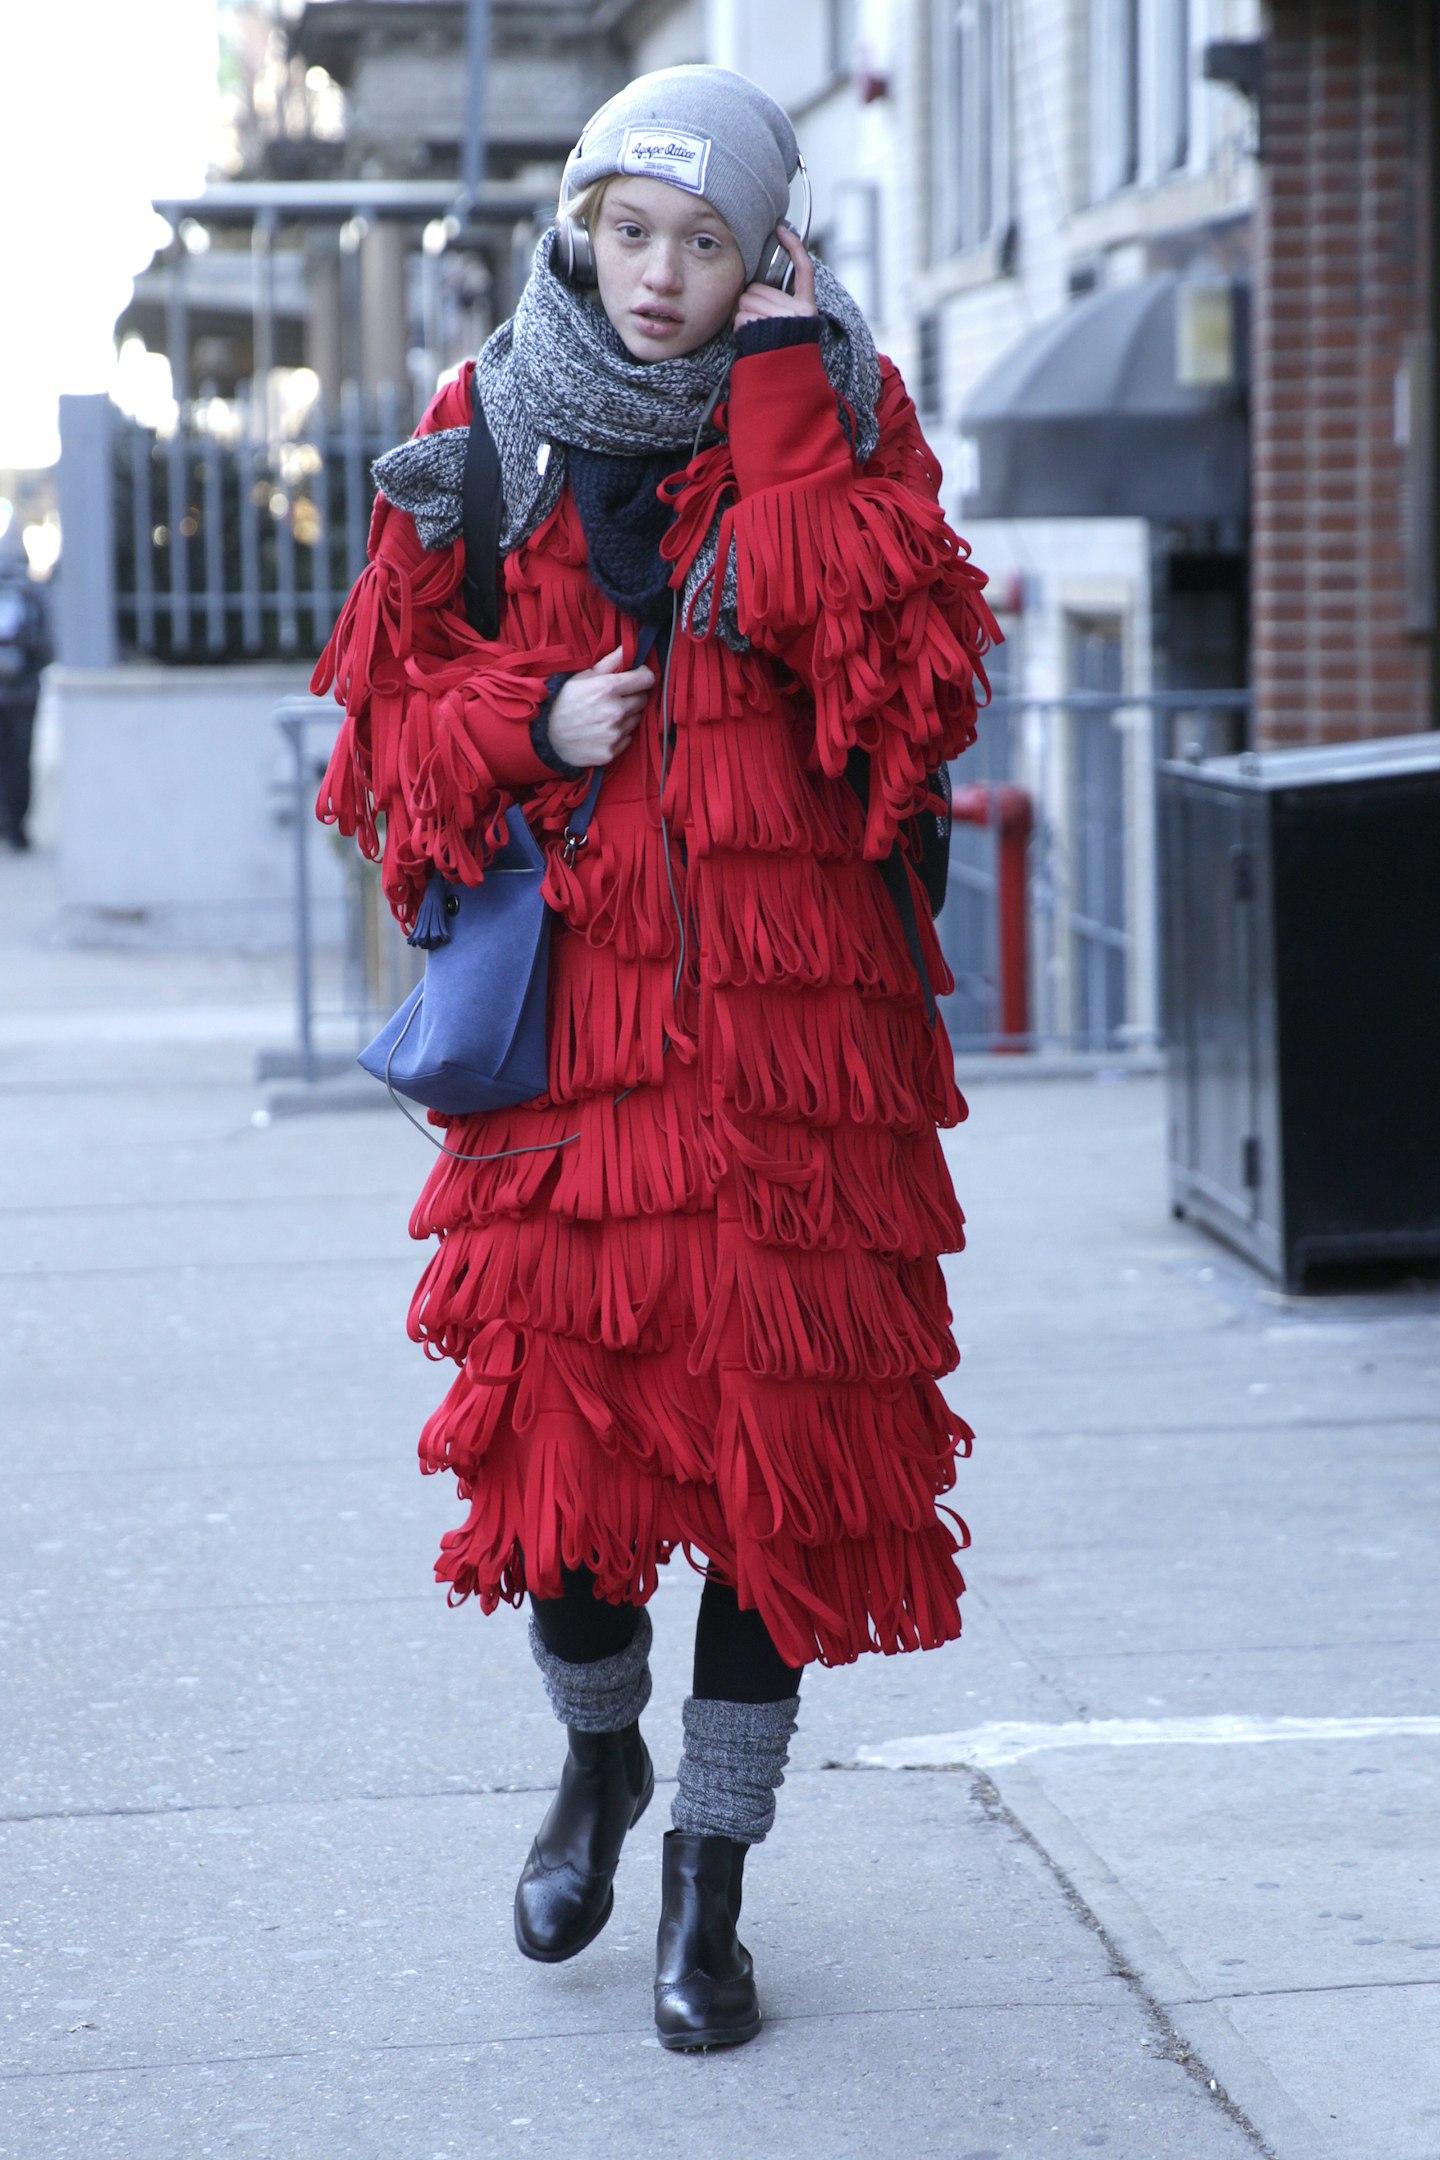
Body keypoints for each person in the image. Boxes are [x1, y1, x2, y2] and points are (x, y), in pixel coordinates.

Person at [314, 64, 999, 2051]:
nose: (664, 276)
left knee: (784, 1475)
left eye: (709, 242)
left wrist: (786, 401)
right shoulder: (481, 428)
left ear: (770, 250)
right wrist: (541, 729)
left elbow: (901, 686)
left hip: (797, 1065)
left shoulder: (847, 414)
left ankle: (710, 1879)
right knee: (574, 1477)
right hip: (580, 1072)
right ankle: (598, 1763)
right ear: (583, 225)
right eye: (636, 232)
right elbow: (386, 750)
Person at [0, 528, 50, 851]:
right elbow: (47, 644)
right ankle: (16, 824)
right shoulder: (32, 593)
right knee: (20, 759)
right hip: (23, 694)